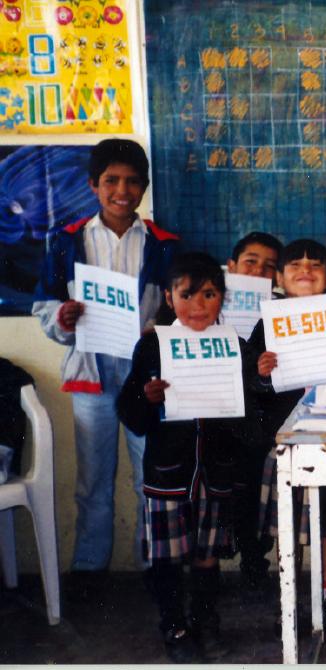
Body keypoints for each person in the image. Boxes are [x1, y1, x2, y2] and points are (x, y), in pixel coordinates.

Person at [32, 138, 179, 601]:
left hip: (144, 378)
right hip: (91, 374)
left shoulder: (163, 244)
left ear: (144, 188)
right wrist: (62, 318)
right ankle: (91, 568)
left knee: (148, 474)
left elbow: (177, 309)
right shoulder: (66, 240)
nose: (122, 190)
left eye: (133, 181)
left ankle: (154, 564)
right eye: (111, 180)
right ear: (94, 184)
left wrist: (162, 332)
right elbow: (44, 304)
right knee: (93, 478)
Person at [116, 252, 253, 662]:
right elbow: (129, 413)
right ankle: (174, 626)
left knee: (208, 554)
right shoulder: (151, 346)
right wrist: (146, 396)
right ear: (170, 299)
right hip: (167, 472)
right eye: (186, 294)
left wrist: (259, 375)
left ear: (222, 299)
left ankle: (206, 621)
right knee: (168, 556)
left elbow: (250, 413)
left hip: (214, 472)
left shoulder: (236, 347)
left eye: (209, 294)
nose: (197, 305)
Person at [250, 239, 326, 633]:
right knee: (287, 524)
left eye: (316, 265)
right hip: (286, 439)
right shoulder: (266, 324)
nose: (306, 270)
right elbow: (252, 385)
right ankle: (289, 595)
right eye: (295, 265)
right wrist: (262, 371)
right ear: (279, 278)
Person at [224, 230, 282, 589]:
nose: (259, 272)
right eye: (250, 263)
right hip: (221, 414)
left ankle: (254, 558)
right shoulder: (212, 304)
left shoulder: (280, 310)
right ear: (231, 266)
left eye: (269, 267)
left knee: (254, 488)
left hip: (259, 414)